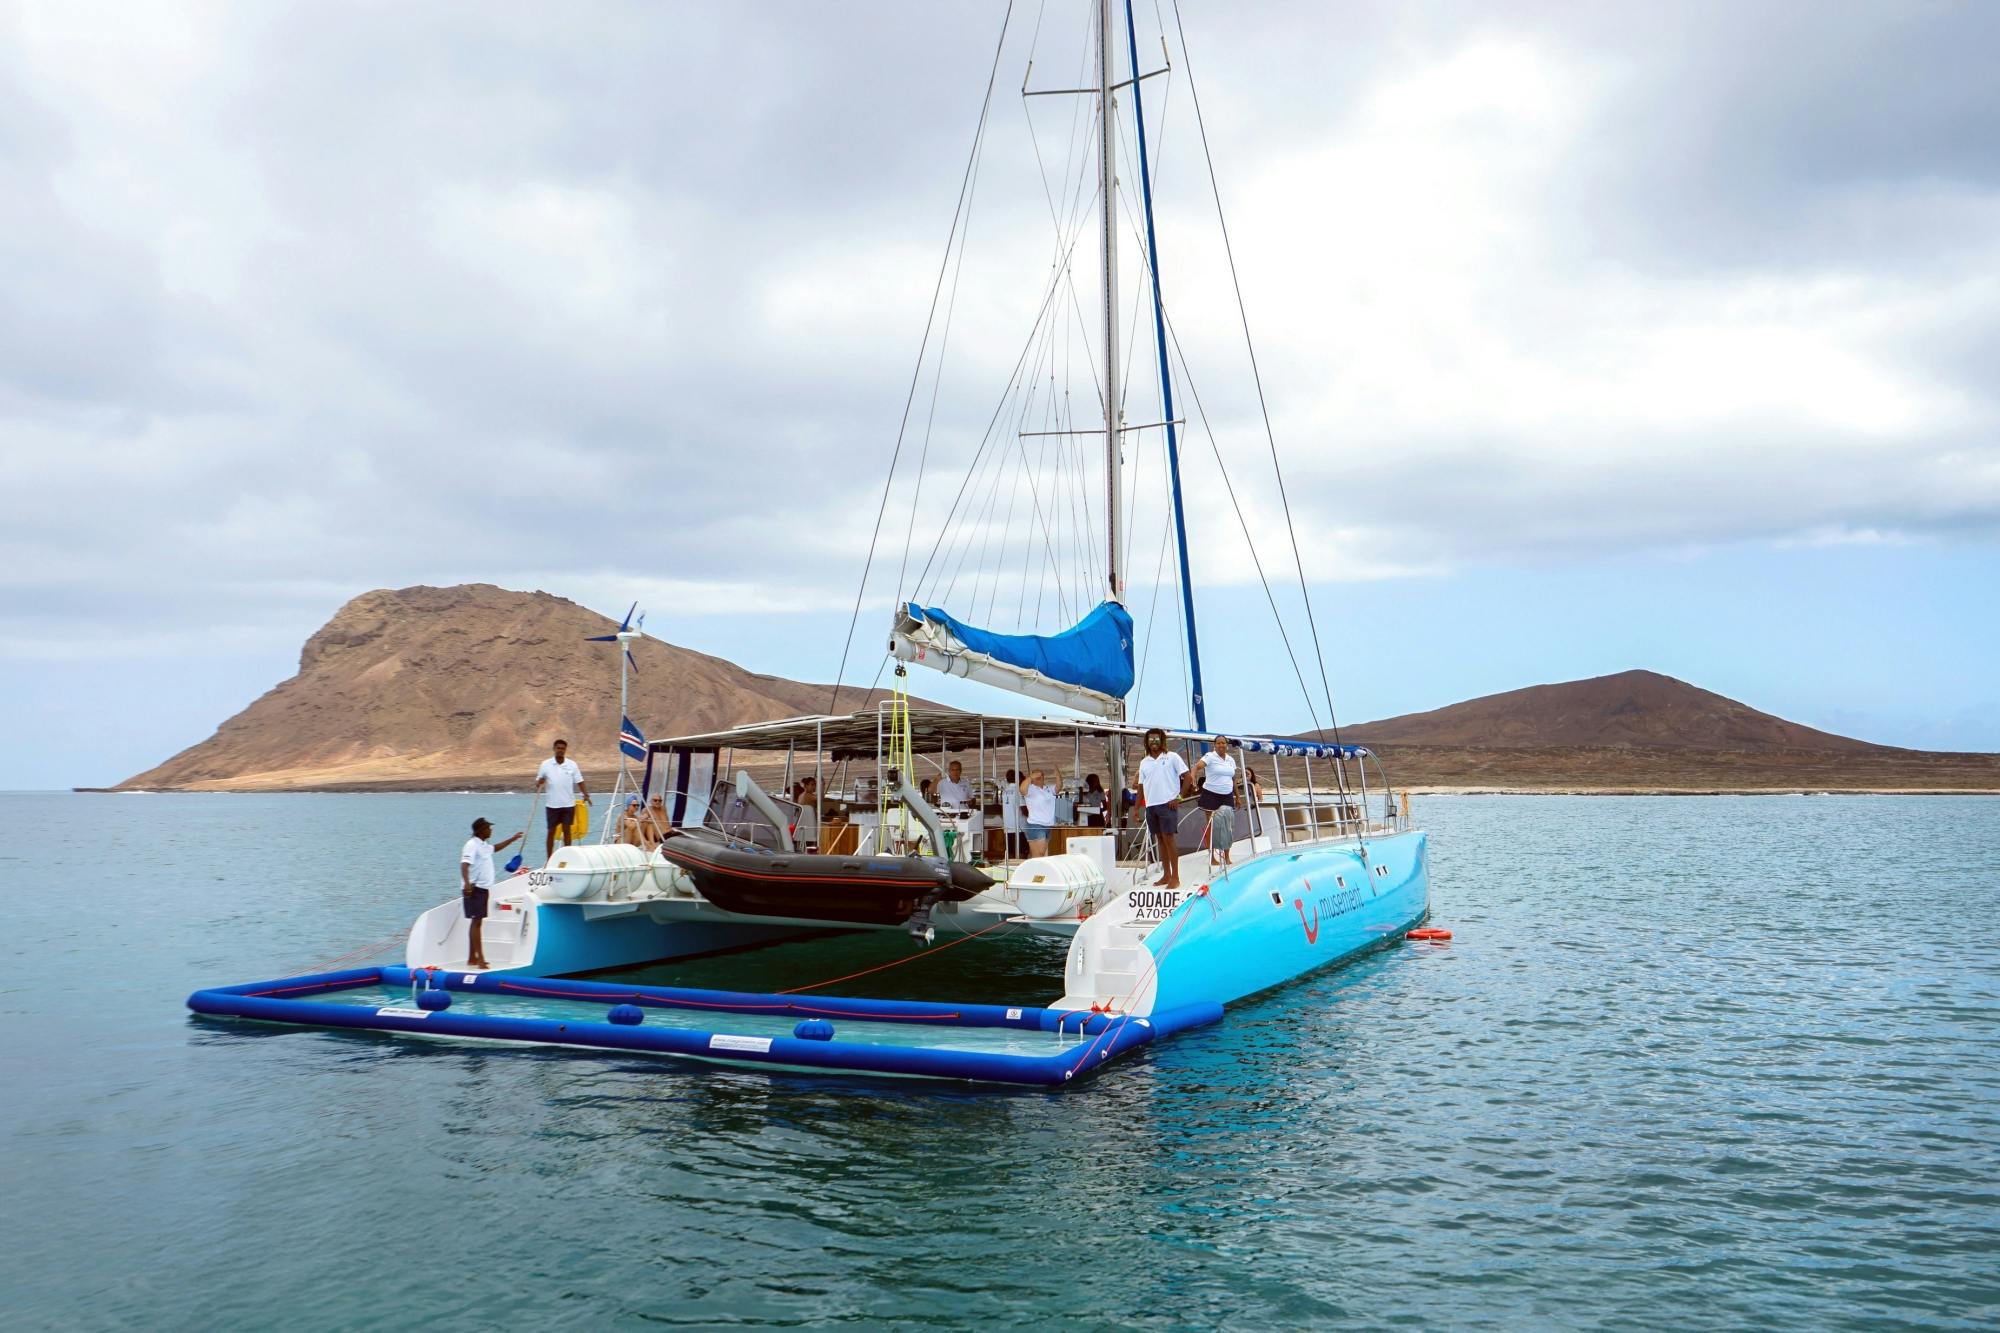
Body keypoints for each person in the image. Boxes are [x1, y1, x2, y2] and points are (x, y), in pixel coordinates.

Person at [460, 817, 522, 969]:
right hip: (474, 888)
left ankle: (471, 958)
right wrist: (467, 884)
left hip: (482, 888)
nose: (491, 830)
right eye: (488, 828)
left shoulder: (483, 845)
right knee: (477, 922)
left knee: (476, 922)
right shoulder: (472, 845)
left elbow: (496, 848)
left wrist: (512, 839)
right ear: (480, 830)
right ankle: (480, 959)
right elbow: (464, 865)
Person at [1135, 728, 1192, 888]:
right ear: (1147, 742)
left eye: (1157, 739)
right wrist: (1136, 807)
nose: (1154, 742)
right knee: (1160, 840)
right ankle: (1166, 875)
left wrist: (1179, 797)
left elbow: (1188, 777)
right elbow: (1141, 786)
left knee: (1169, 839)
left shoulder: (1172, 757)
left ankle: (1176, 877)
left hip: (1167, 804)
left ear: (1162, 740)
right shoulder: (1144, 762)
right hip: (1151, 806)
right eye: (1151, 739)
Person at [535, 739, 590, 859]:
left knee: (567, 831)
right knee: (551, 832)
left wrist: (586, 795)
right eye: (558, 748)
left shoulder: (572, 765)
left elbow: (579, 781)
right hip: (552, 805)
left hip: (568, 804)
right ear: (554, 749)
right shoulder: (545, 765)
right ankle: (549, 859)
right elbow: (538, 782)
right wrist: (540, 781)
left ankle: (567, 858)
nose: (560, 750)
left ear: (565, 750)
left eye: (563, 748)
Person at [1195, 735, 1240, 869]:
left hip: (1227, 795)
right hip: (1211, 794)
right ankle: (1211, 857)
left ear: (1226, 745)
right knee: (1211, 826)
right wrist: (1192, 777)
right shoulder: (1209, 756)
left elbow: (1233, 779)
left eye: (1223, 743)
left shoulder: (1231, 760)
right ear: (1215, 745)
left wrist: (1237, 797)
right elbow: (1196, 767)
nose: (1221, 745)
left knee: (1227, 826)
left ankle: (1226, 856)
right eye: (1218, 743)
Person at [1020, 766, 1060, 857]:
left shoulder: (1048, 788)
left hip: (1048, 825)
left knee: (1043, 854)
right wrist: (1030, 777)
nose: (1038, 776)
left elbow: (1058, 788)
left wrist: (1058, 775)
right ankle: (1033, 870)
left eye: (1040, 774)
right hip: (1035, 824)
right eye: (1036, 775)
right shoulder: (1030, 789)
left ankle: (1038, 870)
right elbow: (1022, 789)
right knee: (1039, 854)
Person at [1001, 768, 1025, 859]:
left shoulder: (1005, 791)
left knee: (1010, 852)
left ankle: (1010, 870)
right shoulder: (1019, 791)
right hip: (1019, 826)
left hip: (1008, 826)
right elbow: (1024, 809)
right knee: (1022, 852)